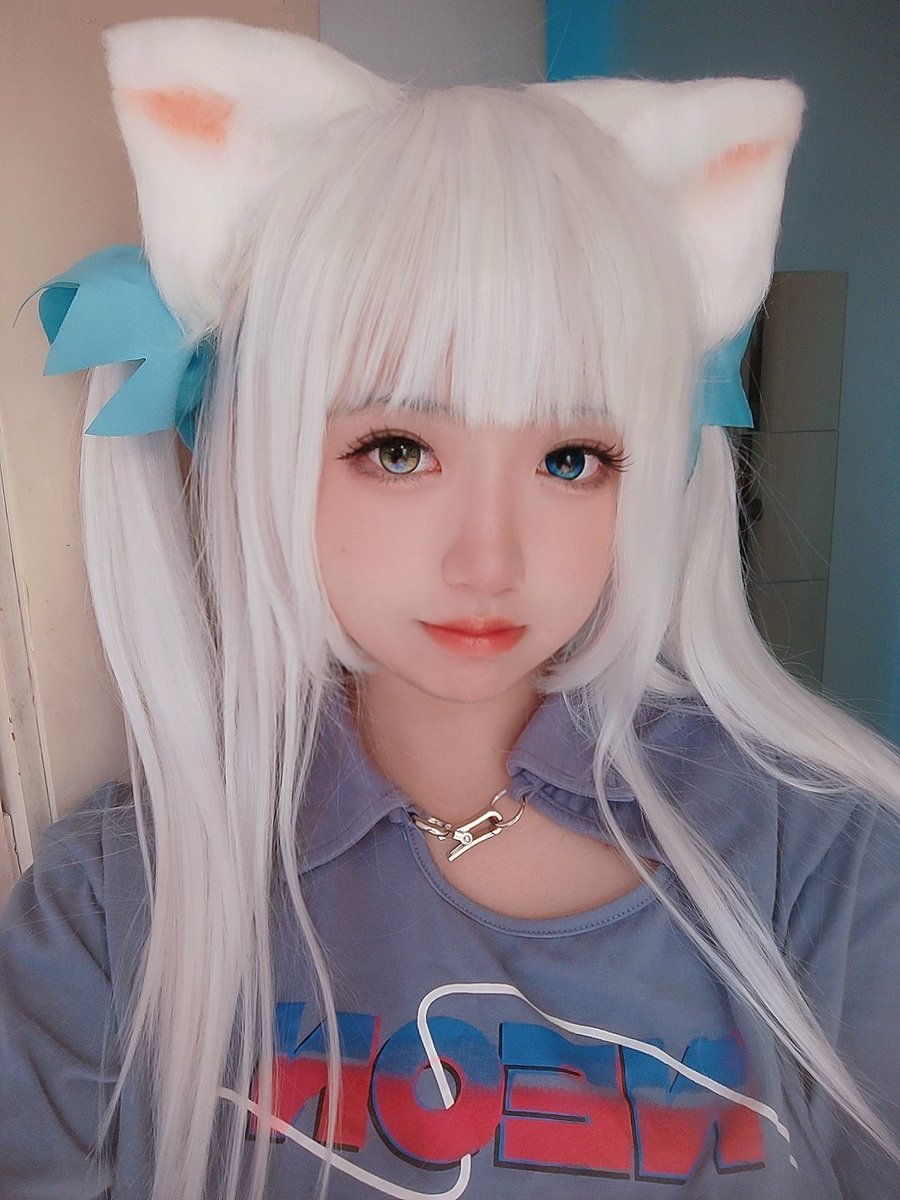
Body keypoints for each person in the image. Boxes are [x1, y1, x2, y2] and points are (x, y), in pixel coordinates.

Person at [1, 16, 899, 1200]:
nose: (490, 559)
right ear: (262, 449)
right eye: (398, 449)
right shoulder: (112, 902)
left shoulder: (833, 865)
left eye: (572, 459)